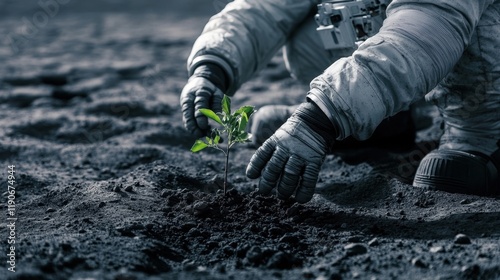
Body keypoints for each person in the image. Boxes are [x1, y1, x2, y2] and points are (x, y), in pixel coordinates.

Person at [180, 0, 500, 203]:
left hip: (465, 58)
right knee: (332, 12)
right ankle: (378, 122)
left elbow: (423, 35)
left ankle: (482, 139)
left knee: (462, 23)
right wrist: (212, 66)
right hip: (403, 65)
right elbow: (262, 10)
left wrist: (320, 116)